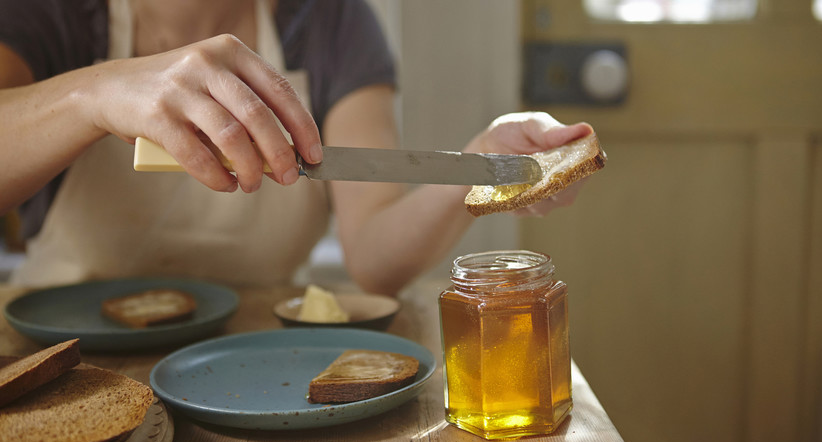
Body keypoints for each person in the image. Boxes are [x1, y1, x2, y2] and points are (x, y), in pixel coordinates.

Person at [0, 0, 593, 296]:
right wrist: (91, 94)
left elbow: (376, 257)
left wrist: (480, 166)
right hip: (62, 359)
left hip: (265, 363)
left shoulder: (330, 19)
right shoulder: (48, 13)